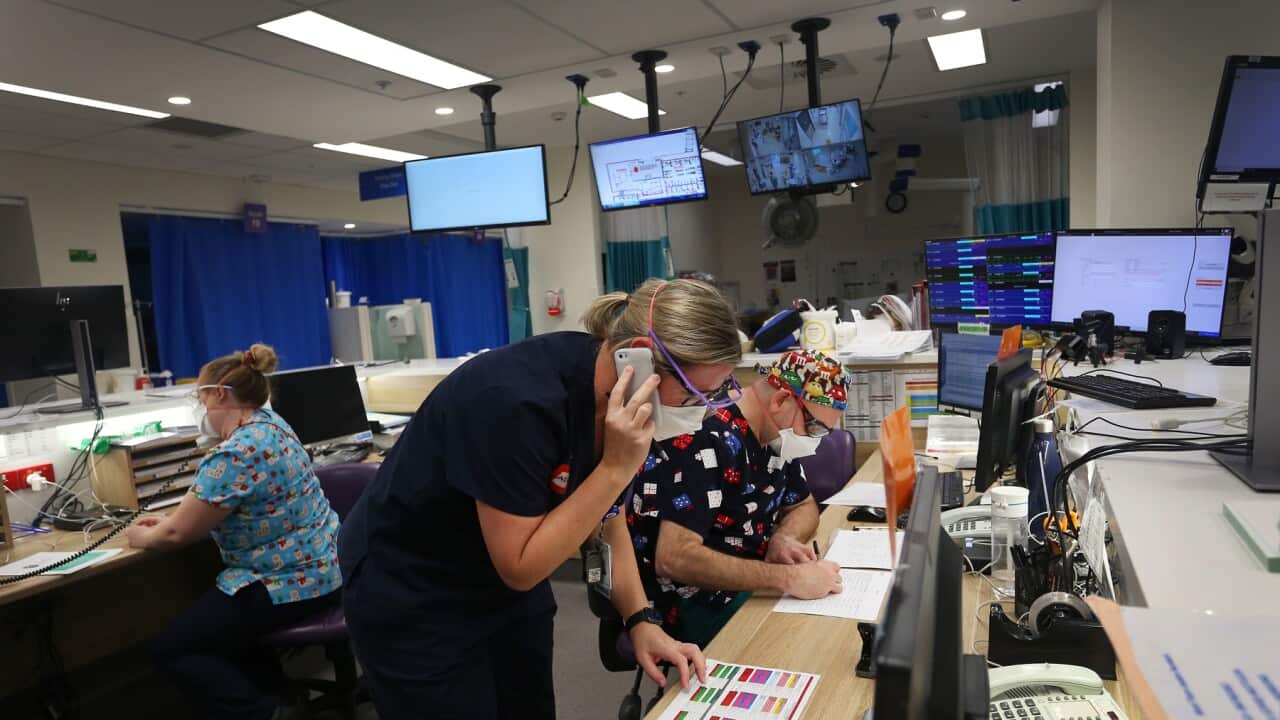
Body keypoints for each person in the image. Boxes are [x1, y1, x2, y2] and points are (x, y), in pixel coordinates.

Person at [337, 279, 744, 720]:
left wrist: (640, 619)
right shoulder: (515, 403)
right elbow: (521, 567)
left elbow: (610, 519)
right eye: (693, 393)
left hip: (505, 585)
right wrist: (615, 468)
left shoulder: (619, 403)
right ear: (641, 357)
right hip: (415, 589)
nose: (700, 409)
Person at [126, 344, 342, 720]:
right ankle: (281, 698)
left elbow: (177, 535)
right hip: (327, 568)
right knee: (224, 630)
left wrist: (142, 536)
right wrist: (173, 522)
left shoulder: (234, 454)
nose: (201, 408)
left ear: (220, 394)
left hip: (287, 584)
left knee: (174, 647)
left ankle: (268, 713)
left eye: (201, 397)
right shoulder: (274, 425)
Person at [626, 350, 850, 647]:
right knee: (803, 644)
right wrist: (788, 579)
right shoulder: (705, 434)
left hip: (750, 578)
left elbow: (803, 504)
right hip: (689, 598)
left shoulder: (774, 436)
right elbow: (674, 559)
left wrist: (784, 537)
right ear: (781, 400)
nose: (815, 441)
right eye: (814, 428)